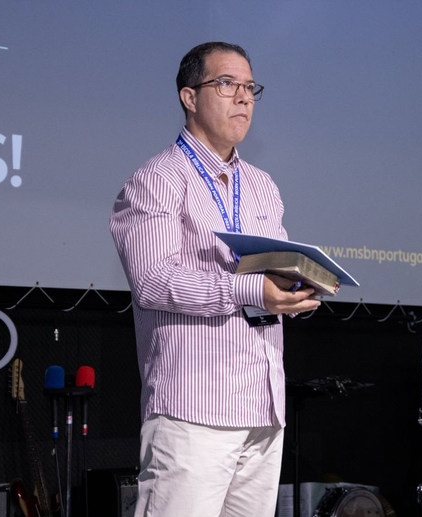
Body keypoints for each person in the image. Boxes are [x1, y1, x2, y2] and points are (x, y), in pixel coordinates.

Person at [109, 41, 320, 517]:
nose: (243, 97)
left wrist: (297, 289)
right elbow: (154, 281)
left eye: (250, 87)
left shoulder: (262, 185)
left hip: (263, 407)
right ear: (189, 96)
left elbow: (274, 271)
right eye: (227, 84)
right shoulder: (158, 179)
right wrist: (251, 289)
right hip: (194, 410)